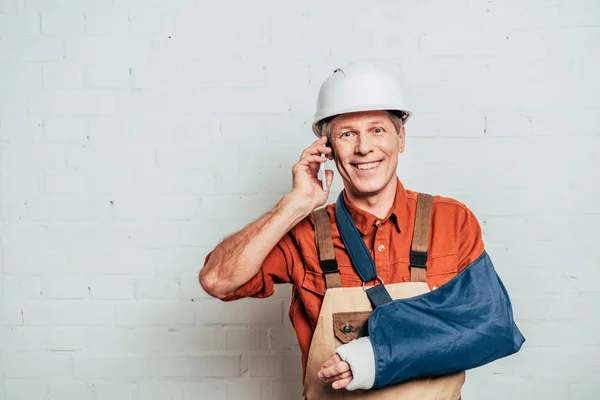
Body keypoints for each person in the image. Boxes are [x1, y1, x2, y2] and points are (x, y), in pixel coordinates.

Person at [199, 63, 523, 399]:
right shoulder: (305, 233)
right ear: (328, 148)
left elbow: (492, 327)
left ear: (401, 138)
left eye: (378, 130)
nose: (364, 148)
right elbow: (217, 281)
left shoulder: (451, 221)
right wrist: (294, 204)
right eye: (347, 134)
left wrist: (374, 357)